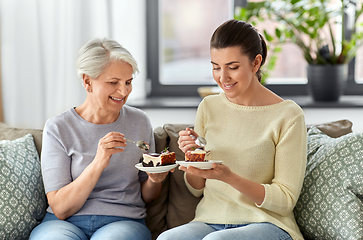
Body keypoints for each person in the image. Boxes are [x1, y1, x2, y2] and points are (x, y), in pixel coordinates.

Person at [157, 19, 307, 240]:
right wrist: (194, 158)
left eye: (233, 67)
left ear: (256, 63)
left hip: (267, 223)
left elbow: (285, 200)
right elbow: (196, 189)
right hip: (209, 221)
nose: (222, 78)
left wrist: (229, 177)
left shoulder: (288, 115)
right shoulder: (209, 106)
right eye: (216, 67)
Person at [30, 38, 171, 240]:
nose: (123, 92)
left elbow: (147, 196)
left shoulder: (139, 122)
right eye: (113, 82)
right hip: (63, 224)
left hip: (122, 222)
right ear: (88, 81)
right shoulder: (58, 128)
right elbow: (60, 208)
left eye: (128, 82)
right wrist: (98, 162)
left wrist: (154, 180)